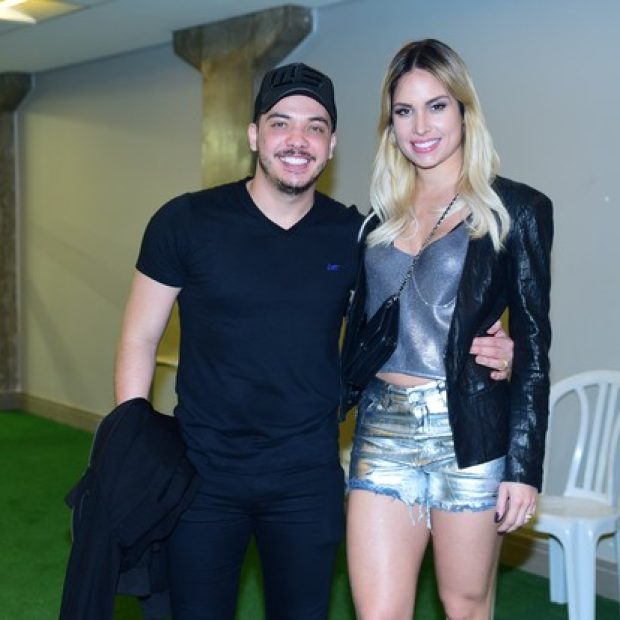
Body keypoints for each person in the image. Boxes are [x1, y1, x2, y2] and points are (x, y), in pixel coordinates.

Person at [114, 61, 514, 620]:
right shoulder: (184, 222)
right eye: (281, 123)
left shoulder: (358, 237)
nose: (297, 140)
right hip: (203, 474)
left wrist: (493, 349)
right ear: (254, 136)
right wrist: (131, 445)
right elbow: (138, 338)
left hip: (306, 478)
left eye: (315, 127)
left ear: (331, 146)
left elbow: (414, 317)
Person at [343, 40, 553, 620]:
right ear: (390, 125)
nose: (421, 126)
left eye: (436, 106)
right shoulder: (375, 220)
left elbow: (534, 348)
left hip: (467, 432)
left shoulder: (515, 210)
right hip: (380, 431)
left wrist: (523, 467)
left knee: (464, 606)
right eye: (404, 111)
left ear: (464, 110)